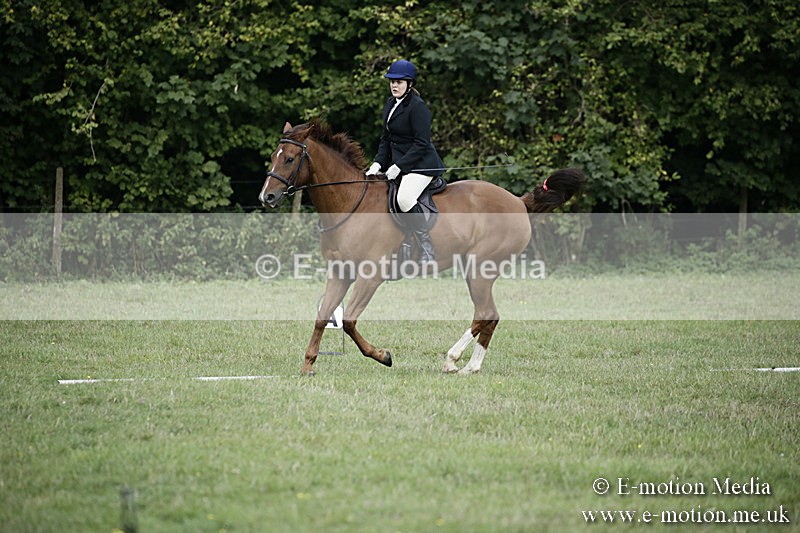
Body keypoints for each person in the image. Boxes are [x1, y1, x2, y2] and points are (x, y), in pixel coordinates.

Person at [365, 59, 444, 263]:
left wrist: (399, 166)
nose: (394, 85)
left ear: (409, 84)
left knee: (404, 199)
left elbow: (421, 143)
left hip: (421, 165)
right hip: (399, 165)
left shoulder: (417, 107)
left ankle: (427, 248)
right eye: (392, 81)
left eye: (399, 82)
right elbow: (386, 139)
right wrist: (377, 164)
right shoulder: (391, 104)